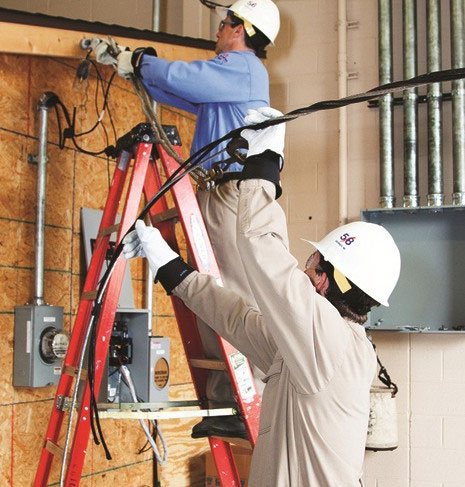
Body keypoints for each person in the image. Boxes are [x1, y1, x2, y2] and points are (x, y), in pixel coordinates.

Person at [122, 107, 402, 486]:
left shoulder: (331, 344)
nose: (302, 273)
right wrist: (169, 266)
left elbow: (261, 247)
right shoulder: (309, 347)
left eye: (310, 264)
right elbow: (237, 318)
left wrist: (266, 159)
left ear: (324, 280)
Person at [90, 0, 280, 440]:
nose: (218, 29)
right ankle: (226, 397)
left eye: (224, 22)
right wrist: (134, 70)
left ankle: (246, 395)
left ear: (240, 28)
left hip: (232, 191)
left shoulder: (244, 67)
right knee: (214, 292)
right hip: (215, 191)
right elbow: (177, 91)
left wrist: (142, 60)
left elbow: (183, 77)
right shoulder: (229, 79)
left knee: (231, 292)